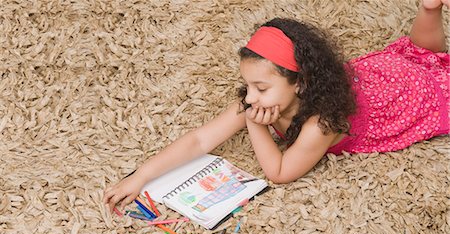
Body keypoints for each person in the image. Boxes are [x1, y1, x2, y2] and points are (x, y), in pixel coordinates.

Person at [103, 0, 449, 213]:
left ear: (301, 82)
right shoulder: (264, 96)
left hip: (399, 96)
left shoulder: (324, 123)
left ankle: (428, 15)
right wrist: (141, 175)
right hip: (376, 79)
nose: (250, 98)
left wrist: (254, 125)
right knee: (419, 57)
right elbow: (199, 140)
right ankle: (430, 8)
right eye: (249, 85)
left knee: (426, 69)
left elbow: (280, 172)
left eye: (261, 88)